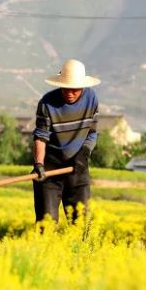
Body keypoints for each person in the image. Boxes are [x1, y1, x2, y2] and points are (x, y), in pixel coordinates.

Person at [31, 59, 100, 224]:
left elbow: (92, 133)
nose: (70, 93)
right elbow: (41, 137)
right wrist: (39, 164)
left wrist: (84, 154)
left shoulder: (91, 99)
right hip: (50, 170)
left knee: (82, 225)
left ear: (82, 86)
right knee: (46, 225)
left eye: (74, 89)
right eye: (66, 88)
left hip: (77, 167)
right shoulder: (47, 103)